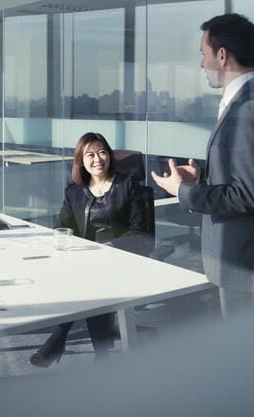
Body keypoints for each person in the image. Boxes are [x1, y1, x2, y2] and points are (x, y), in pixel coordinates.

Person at [151, 13, 254, 319]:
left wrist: (183, 191)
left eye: (203, 54)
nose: (202, 64)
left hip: (245, 262)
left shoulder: (251, 109)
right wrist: (203, 178)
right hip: (246, 259)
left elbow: (245, 196)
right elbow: (253, 178)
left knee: (248, 358)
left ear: (221, 55)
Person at [29, 132, 151, 367]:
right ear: (81, 161)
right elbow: (62, 227)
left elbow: (141, 233)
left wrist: (110, 246)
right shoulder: (74, 191)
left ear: (110, 156)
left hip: (124, 257)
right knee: (88, 277)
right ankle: (96, 352)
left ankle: (60, 338)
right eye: (90, 154)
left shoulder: (129, 186)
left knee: (92, 282)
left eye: (102, 152)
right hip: (85, 259)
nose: (97, 159)